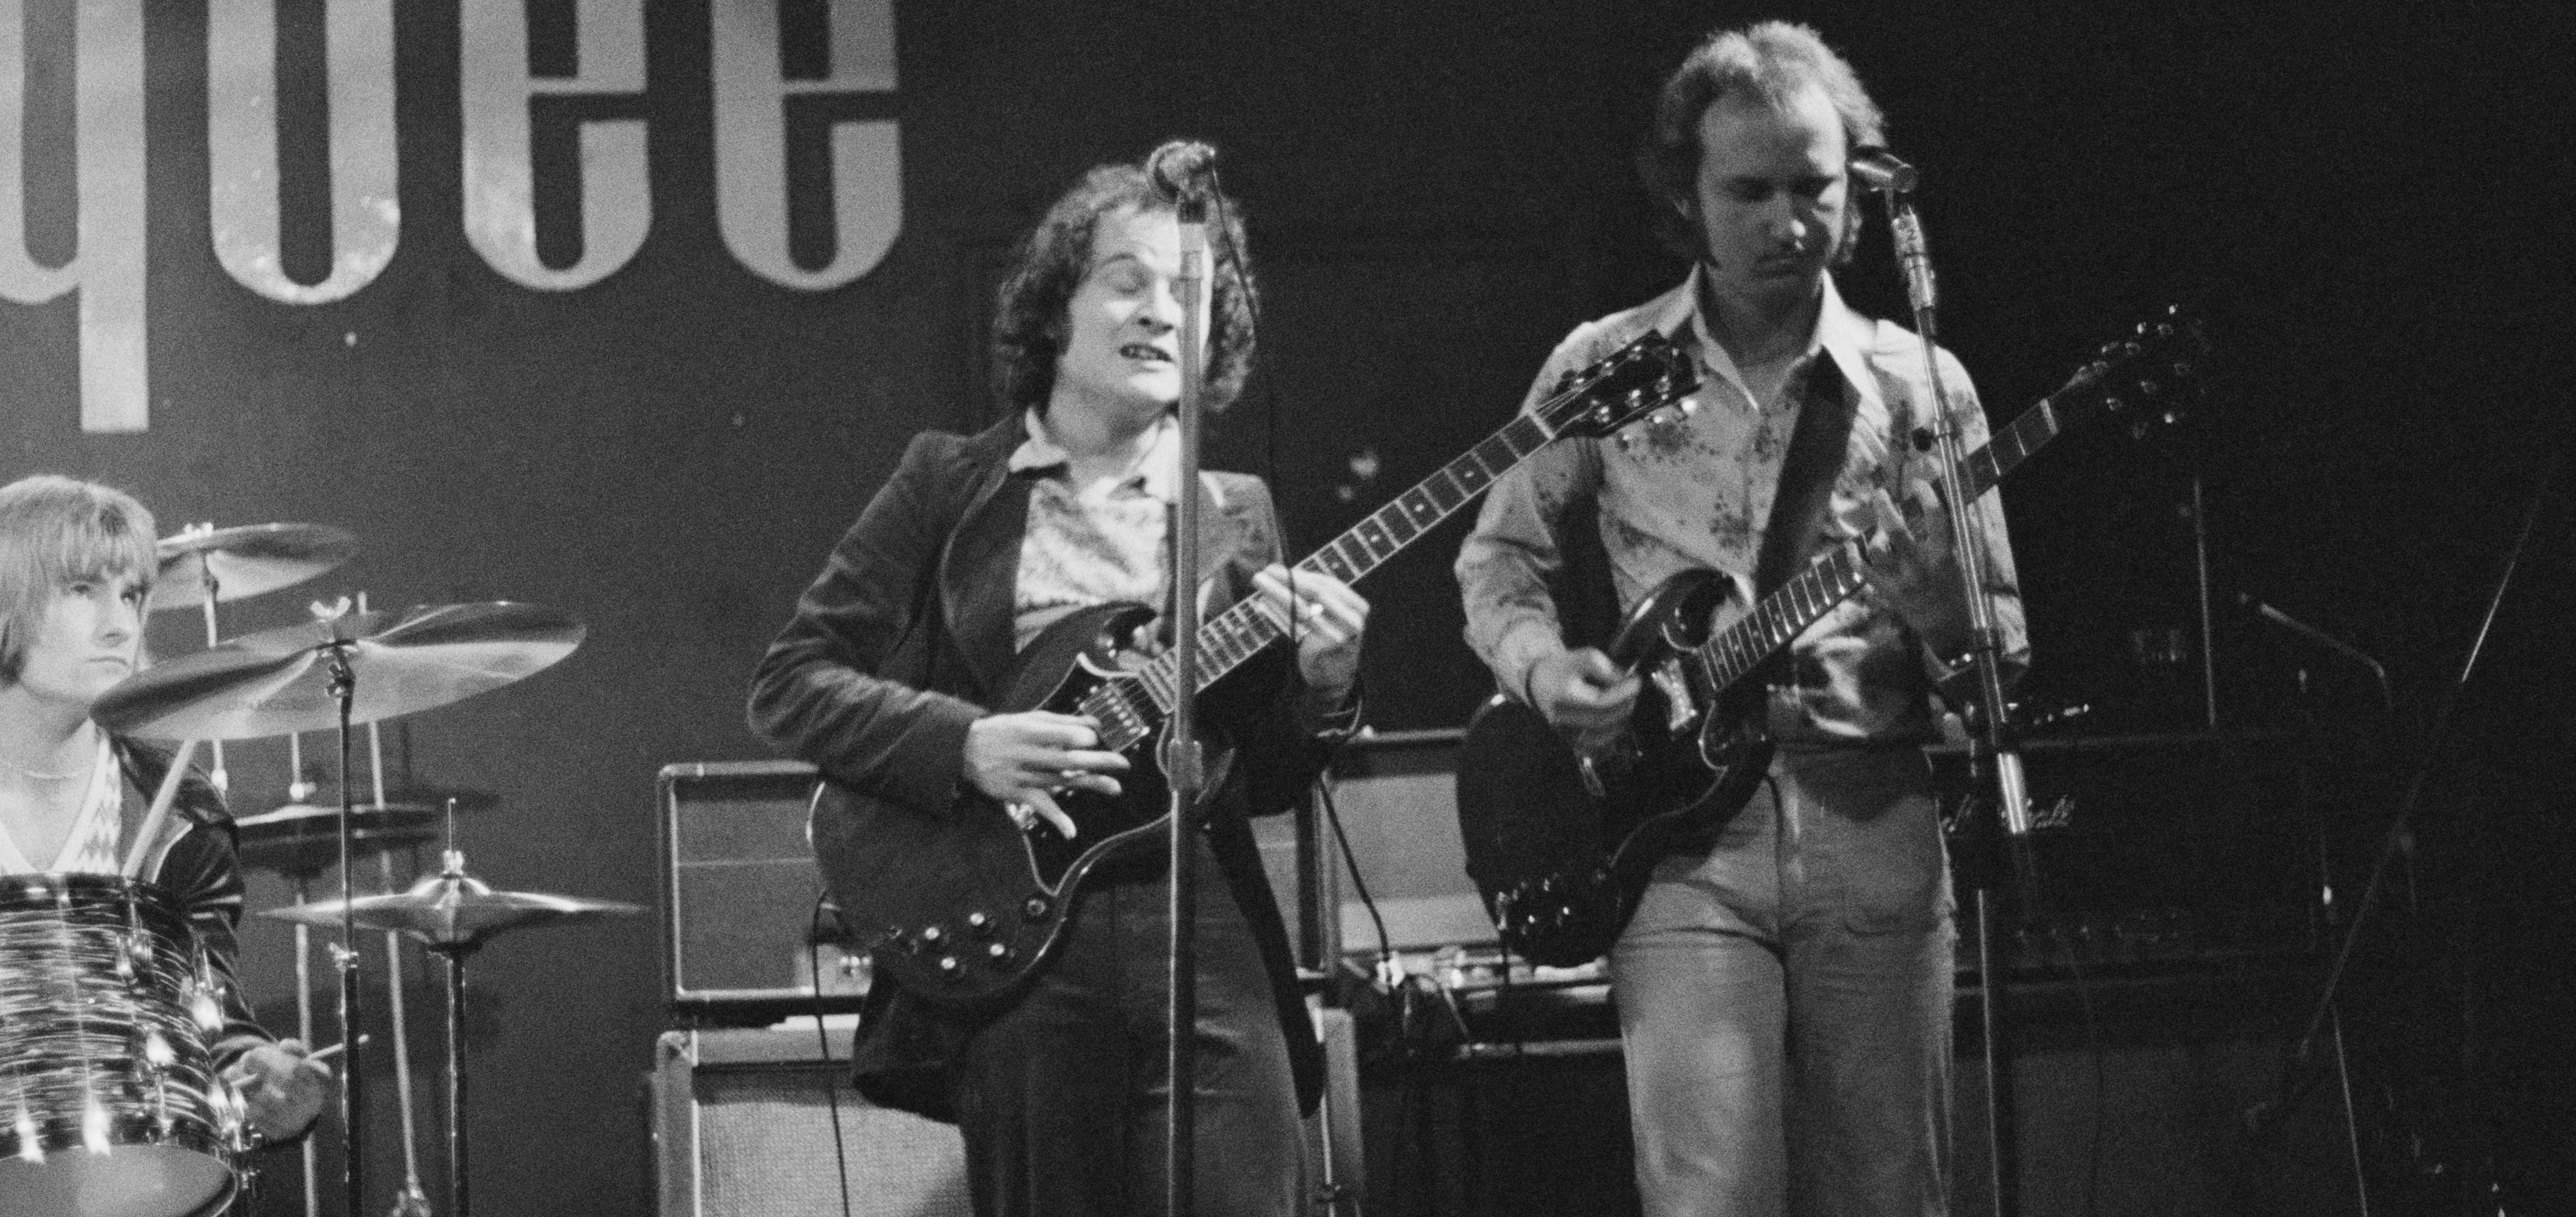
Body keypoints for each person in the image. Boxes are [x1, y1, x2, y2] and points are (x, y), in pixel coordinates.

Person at [1453, 22, 2029, 1216]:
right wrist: (1544, 667)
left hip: (1874, 821)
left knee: (1889, 1193)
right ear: (1686, 198)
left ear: (1858, 192)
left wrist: (1942, 616)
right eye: (1748, 191)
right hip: (1675, 845)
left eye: (1813, 188)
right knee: (1708, 1196)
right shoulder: (1603, 361)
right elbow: (1497, 556)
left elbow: (1999, 668)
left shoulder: (1922, 383)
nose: (1786, 221)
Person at [750, 149, 1367, 1217]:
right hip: (1024, 941)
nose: (1161, 309)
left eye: (1188, 289)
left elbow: (1257, 777)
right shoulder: (949, 478)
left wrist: (1321, 689)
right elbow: (793, 682)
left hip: (1204, 921)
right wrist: (964, 742)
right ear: (1055, 312)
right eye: (1127, 279)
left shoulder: (1238, 508)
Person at [0, 474, 330, 1148]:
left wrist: (261, 1081)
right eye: (83, 590)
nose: (119, 624)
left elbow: (208, 1022)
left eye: (132, 594)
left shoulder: (185, 817)